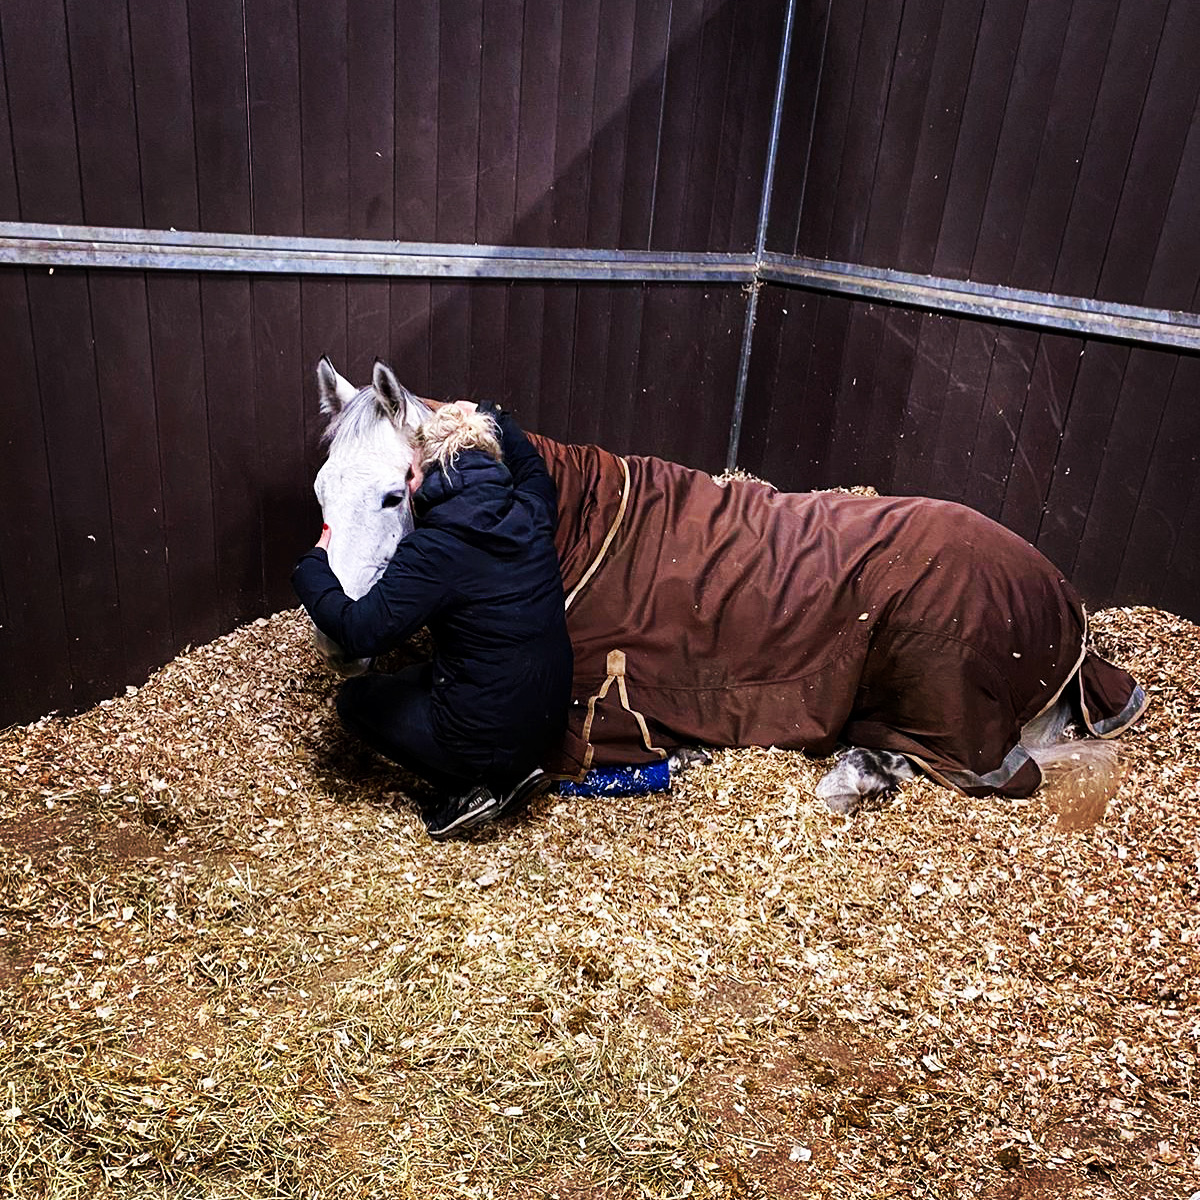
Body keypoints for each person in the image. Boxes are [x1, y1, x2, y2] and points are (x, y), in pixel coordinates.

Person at [292, 400, 573, 839]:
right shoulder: (531, 509)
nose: (410, 480)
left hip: (487, 744)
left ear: (429, 466)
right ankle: (515, 770)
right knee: (417, 676)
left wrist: (312, 567)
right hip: (548, 727)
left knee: (356, 700)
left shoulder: (437, 547)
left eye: (412, 469)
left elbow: (360, 631)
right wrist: (493, 415)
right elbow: (533, 467)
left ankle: (467, 790)